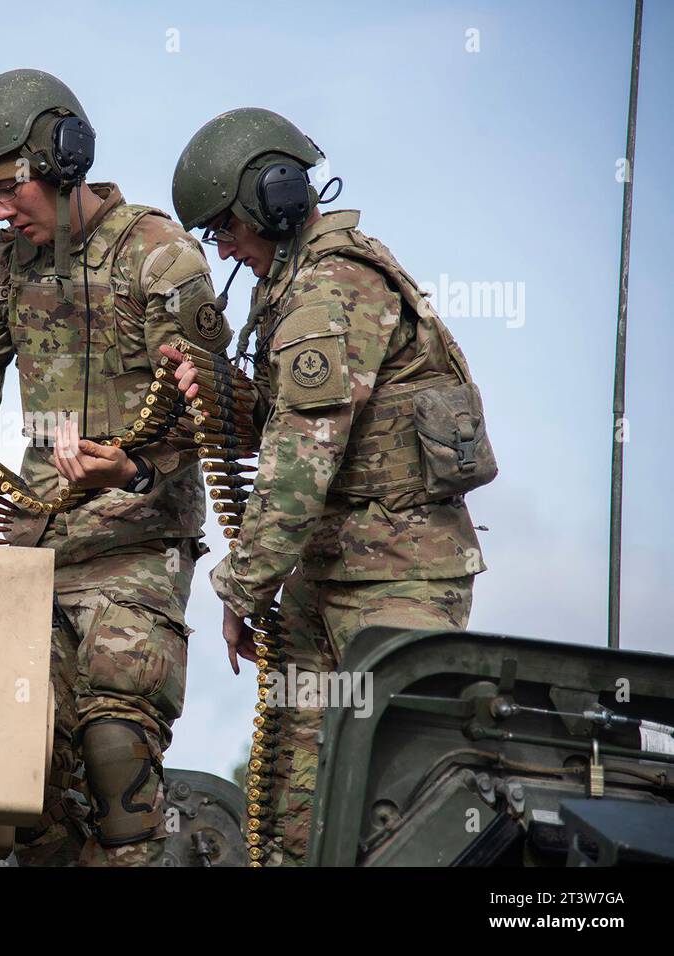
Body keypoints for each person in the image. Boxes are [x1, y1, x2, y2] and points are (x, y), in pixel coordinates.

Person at [0, 69, 233, 866]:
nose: (0, 210)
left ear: (64, 157)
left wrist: (130, 468)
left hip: (138, 538)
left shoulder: (160, 257)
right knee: (18, 770)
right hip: (33, 549)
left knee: (116, 743)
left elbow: (217, 406)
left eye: (8, 188)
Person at [165, 108, 496, 865]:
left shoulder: (329, 289)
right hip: (326, 573)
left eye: (225, 228)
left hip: (396, 578)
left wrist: (241, 589)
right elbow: (292, 425)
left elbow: (296, 467)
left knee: (399, 802)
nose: (223, 249)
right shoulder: (290, 285)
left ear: (270, 199)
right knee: (294, 803)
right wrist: (218, 392)